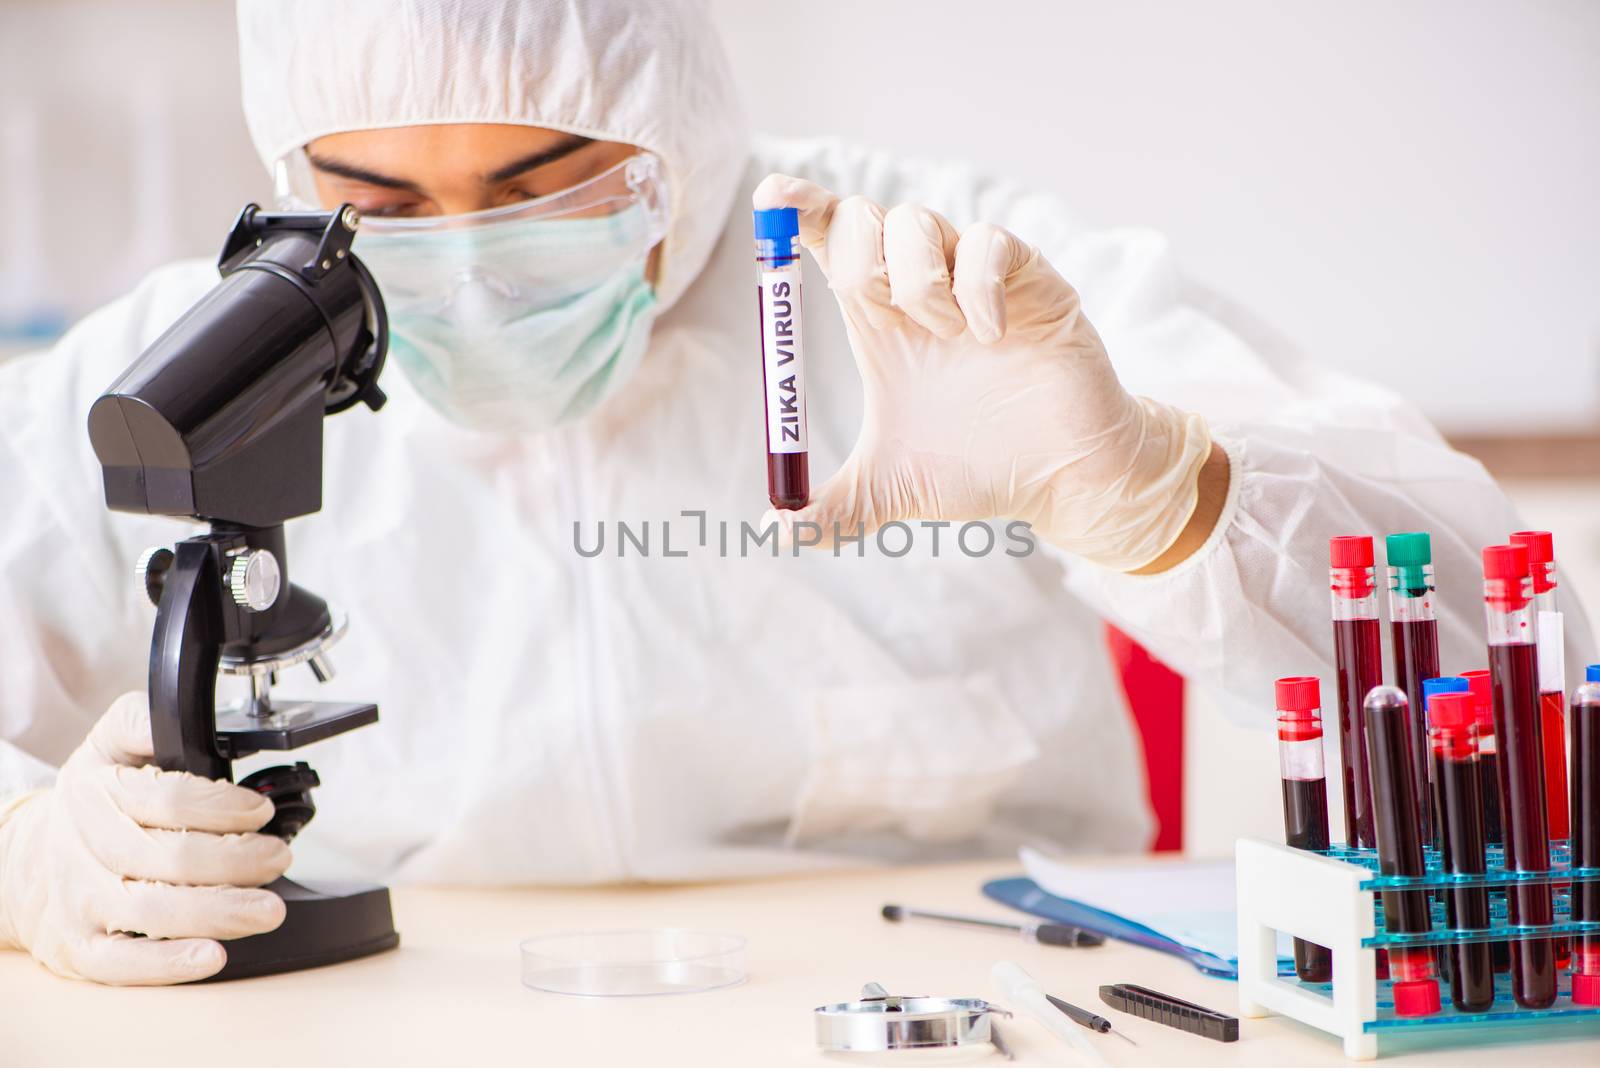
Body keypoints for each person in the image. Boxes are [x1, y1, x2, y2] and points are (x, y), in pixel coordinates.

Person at [0, 0, 1584, 985]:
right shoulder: (191, 360)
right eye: (378, 201)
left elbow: (1510, 636)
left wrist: (1161, 489)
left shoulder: (935, 271)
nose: (471, 270)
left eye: (548, 182)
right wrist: (31, 860)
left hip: (981, 1002)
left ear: (674, 114)